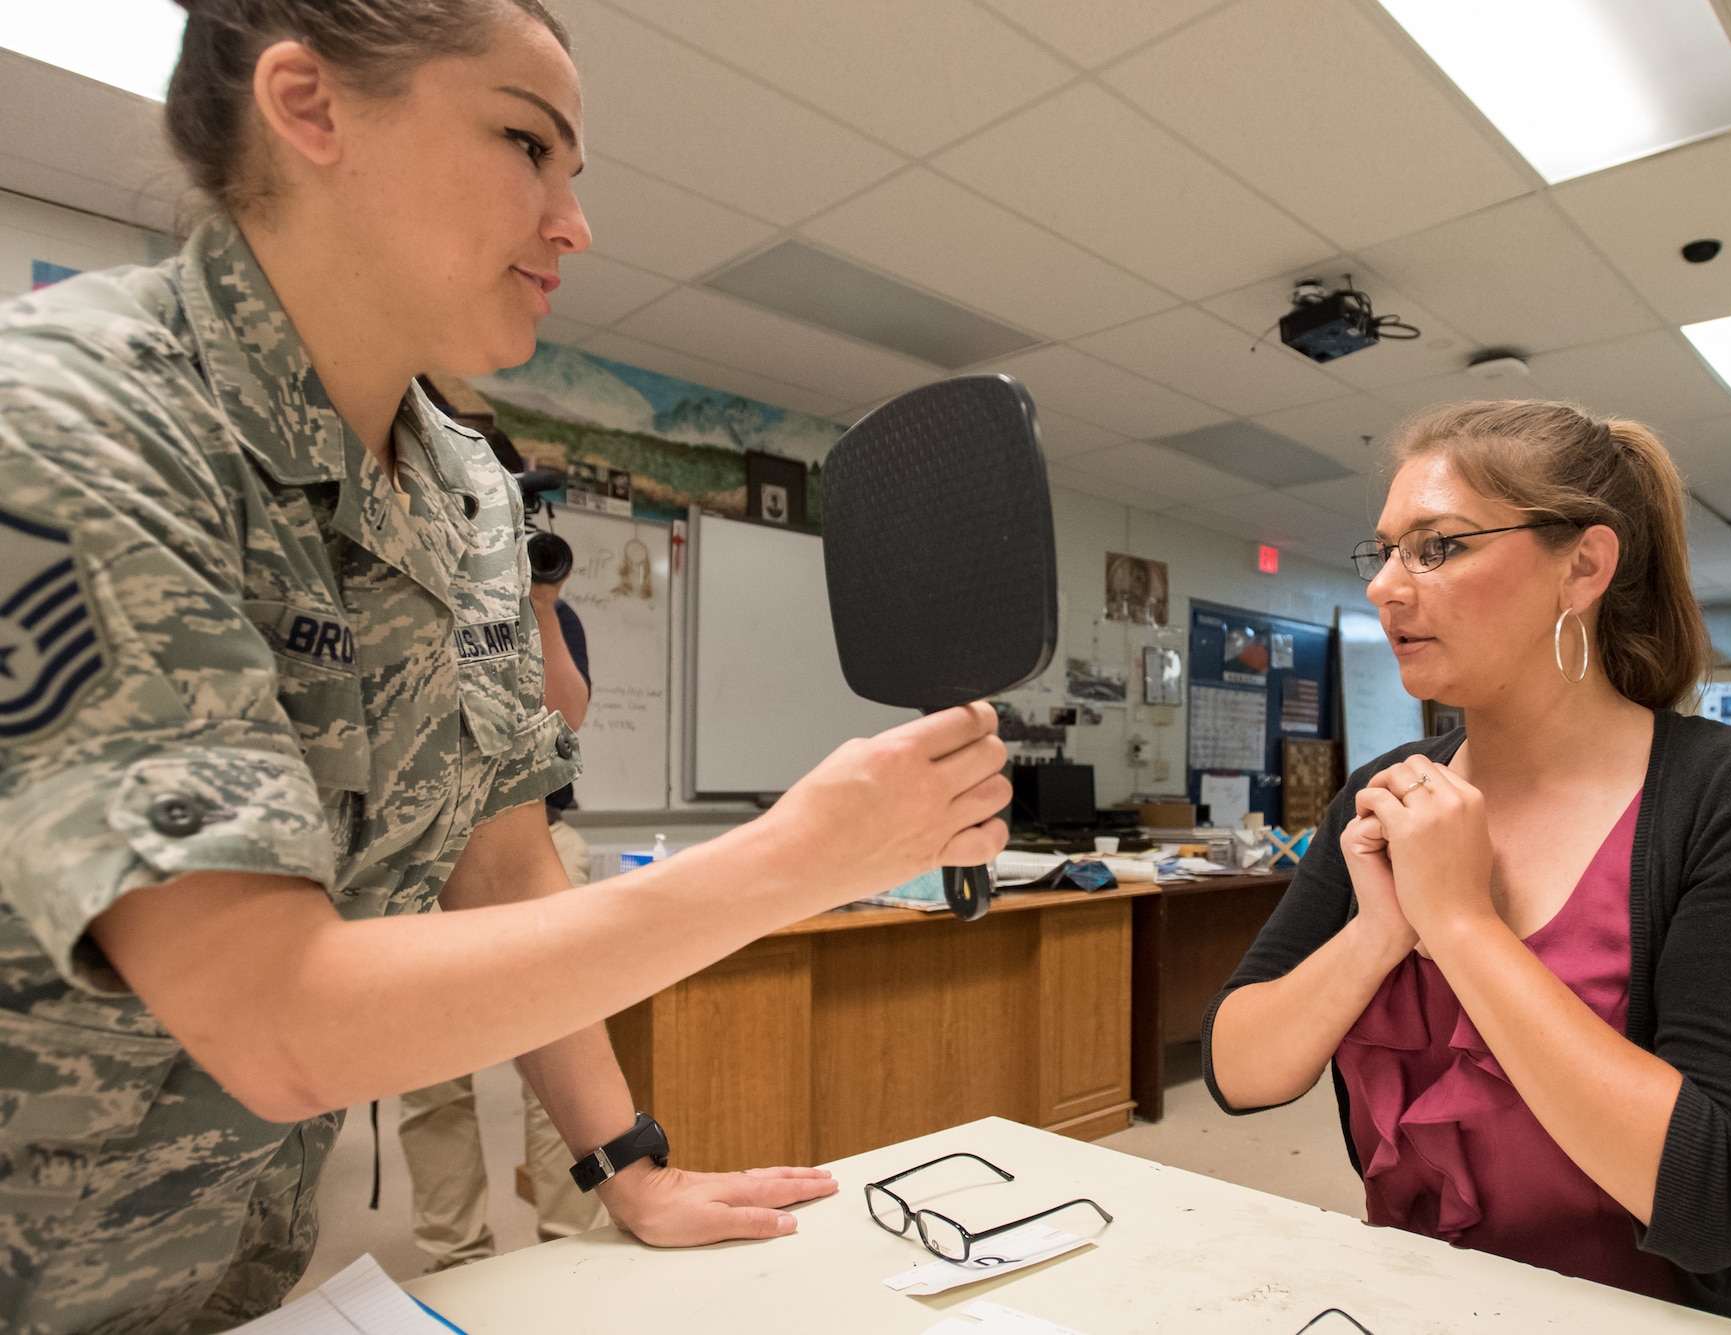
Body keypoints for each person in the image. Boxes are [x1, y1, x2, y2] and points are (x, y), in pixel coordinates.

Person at [0, 4, 1009, 1331]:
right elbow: (275, 1019)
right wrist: (790, 858)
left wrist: (627, 1166)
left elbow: (501, 856)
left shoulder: (466, 491)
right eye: (526, 143)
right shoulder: (73, 420)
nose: (571, 222)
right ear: (311, 108)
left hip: (210, 1274)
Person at [1205, 401, 1731, 1332]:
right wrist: (1381, 931)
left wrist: (1462, 924)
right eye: (1384, 550)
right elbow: (1239, 1067)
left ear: (1583, 566)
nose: (1388, 585)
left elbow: (1716, 1202)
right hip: (1435, 1304)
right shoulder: (1383, 793)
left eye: (1437, 547)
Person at [398, 572, 608, 1268]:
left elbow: (565, 713)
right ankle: (453, 1255)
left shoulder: (549, 609)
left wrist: (541, 607)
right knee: (432, 1073)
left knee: (559, 1059)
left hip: (535, 843)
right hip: (419, 852)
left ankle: (570, 1246)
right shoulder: (392, 593)